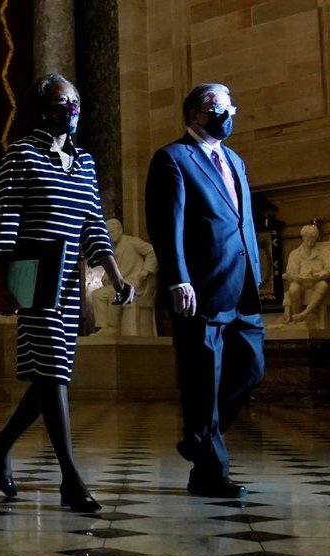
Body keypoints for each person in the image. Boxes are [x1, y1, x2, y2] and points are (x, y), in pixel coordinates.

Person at [0, 74, 134, 512]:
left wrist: (117, 278)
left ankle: (2, 443)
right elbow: (6, 218)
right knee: (52, 373)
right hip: (32, 274)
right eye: (65, 101)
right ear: (44, 108)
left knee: (53, 377)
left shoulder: (85, 161)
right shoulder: (21, 153)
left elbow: (93, 227)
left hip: (69, 280)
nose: (73, 108)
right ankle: (70, 477)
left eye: (76, 100)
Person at [146, 82, 264, 499]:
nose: (227, 114)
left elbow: (242, 220)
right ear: (195, 114)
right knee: (203, 381)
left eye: (231, 106)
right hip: (201, 287)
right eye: (218, 108)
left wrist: (257, 271)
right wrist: (178, 277)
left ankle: (198, 436)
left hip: (243, 285)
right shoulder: (173, 159)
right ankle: (211, 474)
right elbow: (166, 225)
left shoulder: (234, 159)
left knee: (250, 367)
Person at [90, 218, 158, 335]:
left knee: (116, 292)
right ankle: (103, 327)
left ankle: (113, 327)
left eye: (113, 231)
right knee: (97, 294)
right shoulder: (112, 248)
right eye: (108, 233)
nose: (111, 235)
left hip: (136, 282)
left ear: (120, 230)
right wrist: (107, 276)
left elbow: (152, 251)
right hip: (121, 283)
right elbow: (116, 268)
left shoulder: (132, 242)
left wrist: (145, 271)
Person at [282, 224, 330, 324]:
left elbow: (328, 269)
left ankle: (304, 314)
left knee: (324, 285)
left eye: (313, 239)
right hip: (300, 282)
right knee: (293, 289)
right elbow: (291, 272)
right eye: (308, 239)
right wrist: (294, 276)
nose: (310, 242)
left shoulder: (323, 251)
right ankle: (297, 316)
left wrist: (320, 274)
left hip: (316, 281)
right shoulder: (295, 253)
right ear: (303, 237)